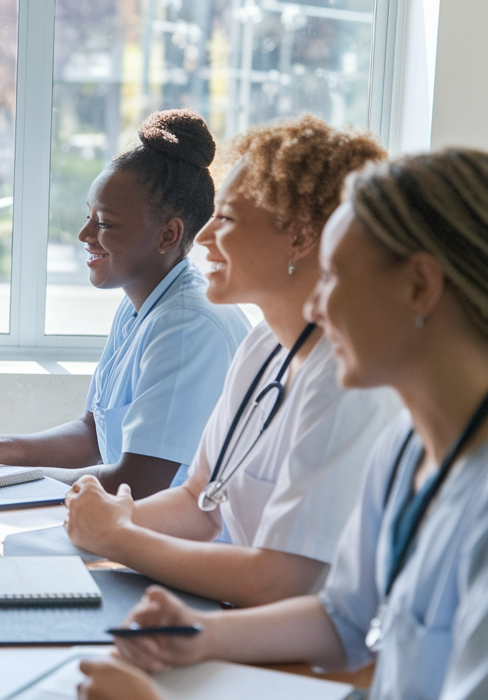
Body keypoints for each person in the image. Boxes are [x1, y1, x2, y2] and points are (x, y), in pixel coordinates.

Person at [75, 148, 488, 700]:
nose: (318, 308)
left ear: (418, 287)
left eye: (336, 279)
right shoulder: (409, 449)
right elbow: (341, 618)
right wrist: (197, 634)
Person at [64, 115, 400, 606]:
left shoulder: (350, 382)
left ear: (300, 237)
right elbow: (198, 502)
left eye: (228, 219)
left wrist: (116, 537)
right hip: (244, 615)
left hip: (305, 648)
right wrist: (97, 524)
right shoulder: (264, 346)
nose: (201, 238)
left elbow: (282, 581)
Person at [0, 110, 251, 497]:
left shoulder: (186, 326)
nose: (84, 234)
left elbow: (138, 482)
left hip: (185, 546)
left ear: (168, 234)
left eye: (104, 223)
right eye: (88, 217)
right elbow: (92, 434)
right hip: (129, 527)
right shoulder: (139, 305)